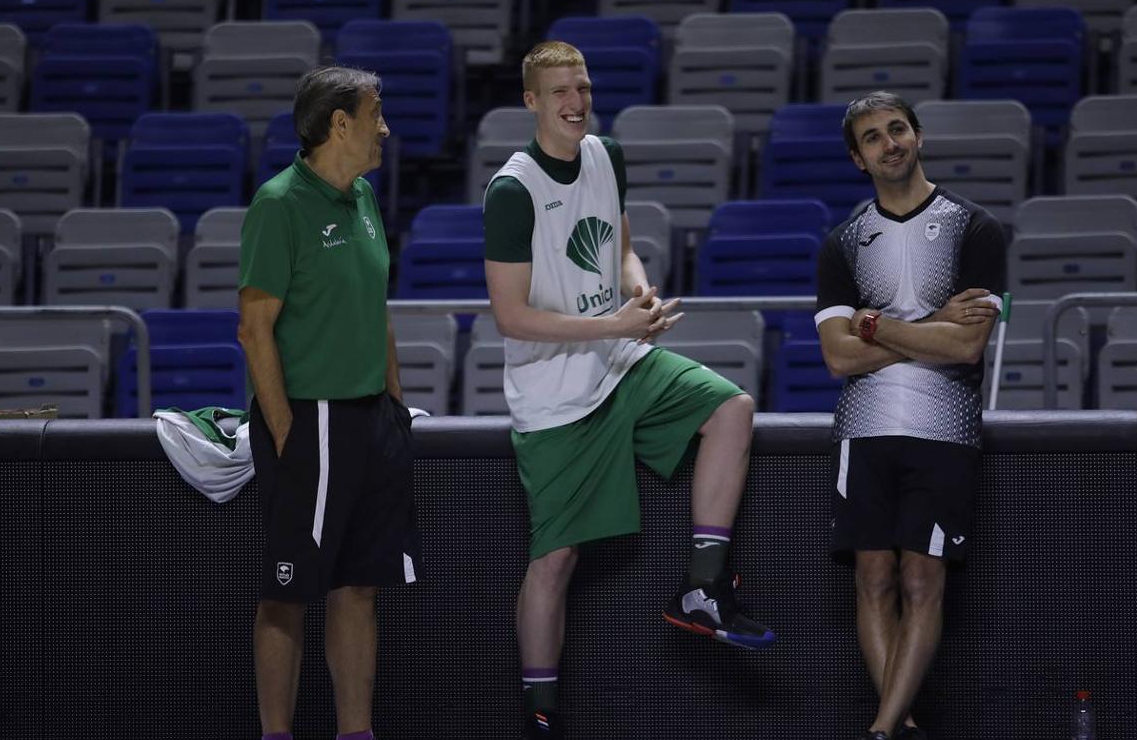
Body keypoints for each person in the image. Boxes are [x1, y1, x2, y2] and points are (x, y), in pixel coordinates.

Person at [482, 40, 776, 739]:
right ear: (531, 102)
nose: (576, 102)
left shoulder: (606, 153)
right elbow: (510, 316)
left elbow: (619, 248)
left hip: (617, 363)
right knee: (554, 561)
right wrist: (613, 320)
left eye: (582, 87)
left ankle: (702, 589)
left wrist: (639, 293)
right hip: (552, 390)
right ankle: (540, 715)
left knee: (731, 409)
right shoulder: (512, 190)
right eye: (559, 92)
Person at [815, 91, 1007, 740]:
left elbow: (965, 346)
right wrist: (922, 325)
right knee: (874, 578)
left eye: (897, 129)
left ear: (919, 136)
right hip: (862, 430)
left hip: (943, 427)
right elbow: (838, 360)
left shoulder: (974, 228)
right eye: (873, 137)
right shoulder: (843, 242)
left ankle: (880, 731)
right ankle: (899, 729)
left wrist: (872, 325)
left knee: (922, 580)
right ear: (857, 159)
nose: (889, 142)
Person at [237, 65, 420, 740]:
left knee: (360, 587)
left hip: (372, 420)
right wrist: (287, 436)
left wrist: (396, 408)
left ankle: (355, 733)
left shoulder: (365, 198)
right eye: (376, 114)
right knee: (288, 591)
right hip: (308, 418)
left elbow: (378, 312)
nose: (385, 127)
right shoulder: (279, 203)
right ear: (339, 124)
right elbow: (254, 329)